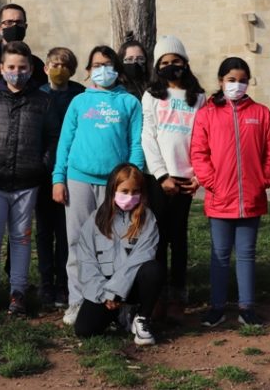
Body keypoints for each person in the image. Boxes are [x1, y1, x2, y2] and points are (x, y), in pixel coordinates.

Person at [53, 45, 145, 325]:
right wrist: (58, 178)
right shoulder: (79, 102)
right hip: (79, 179)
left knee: (117, 244)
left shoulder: (129, 102)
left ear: (117, 69)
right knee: (77, 242)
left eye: (108, 65)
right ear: (88, 70)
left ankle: (116, 304)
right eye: (96, 65)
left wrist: (134, 180)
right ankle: (78, 301)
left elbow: (136, 143)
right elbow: (65, 142)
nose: (102, 70)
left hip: (116, 184)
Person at [191, 57, 270, 328]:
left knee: (246, 254)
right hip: (219, 199)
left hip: (251, 199)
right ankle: (216, 307)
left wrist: (263, 179)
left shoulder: (260, 113)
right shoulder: (207, 114)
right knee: (219, 255)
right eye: (231, 80)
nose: (237, 85)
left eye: (242, 80)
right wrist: (212, 183)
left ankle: (247, 307)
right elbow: (199, 152)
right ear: (221, 81)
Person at [0, 40, 57, 316]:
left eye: (22, 67)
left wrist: (41, 166)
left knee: (21, 237)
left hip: (27, 181)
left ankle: (18, 291)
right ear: (1, 68)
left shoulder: (43, 101)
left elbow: (52, 138)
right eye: (11, 67)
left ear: (31, 69)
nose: (16, 72)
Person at [141, 35, 206, 320]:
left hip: (186, 178)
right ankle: (157, 294)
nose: (171, 66)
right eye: (164, 62)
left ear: (185, 63)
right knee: (157, 237)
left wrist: (198, 175)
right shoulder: (152, 96)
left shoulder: (198, 98)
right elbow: (148, 136)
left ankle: (178, 295)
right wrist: (161, 175)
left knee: (179, 238)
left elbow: (203, 138)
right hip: (159, 178)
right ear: (158, 67)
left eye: (176, 61)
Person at [73, 164, 161, 346]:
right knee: (84, 329)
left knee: (153, 269)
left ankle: (141, 317)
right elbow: (86, 261)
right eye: (124, 191)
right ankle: (119, 315)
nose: (130, 196)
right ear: (113, 190)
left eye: (135, 191)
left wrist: (116, 292)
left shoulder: (147, 218)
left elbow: (141, 257)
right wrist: (104, 294)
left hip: (129, 287)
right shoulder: (95, 219)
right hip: (105, 291)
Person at [36, 47, 85, 310]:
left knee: (66, 231)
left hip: (71, 171)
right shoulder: (38, 95)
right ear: (46, 68)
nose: (59, 69)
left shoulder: (80, 95)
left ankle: (64, 283)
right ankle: (46, 283)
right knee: (44, 231)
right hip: (43, 172)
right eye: (54, 64)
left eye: (65, 65)